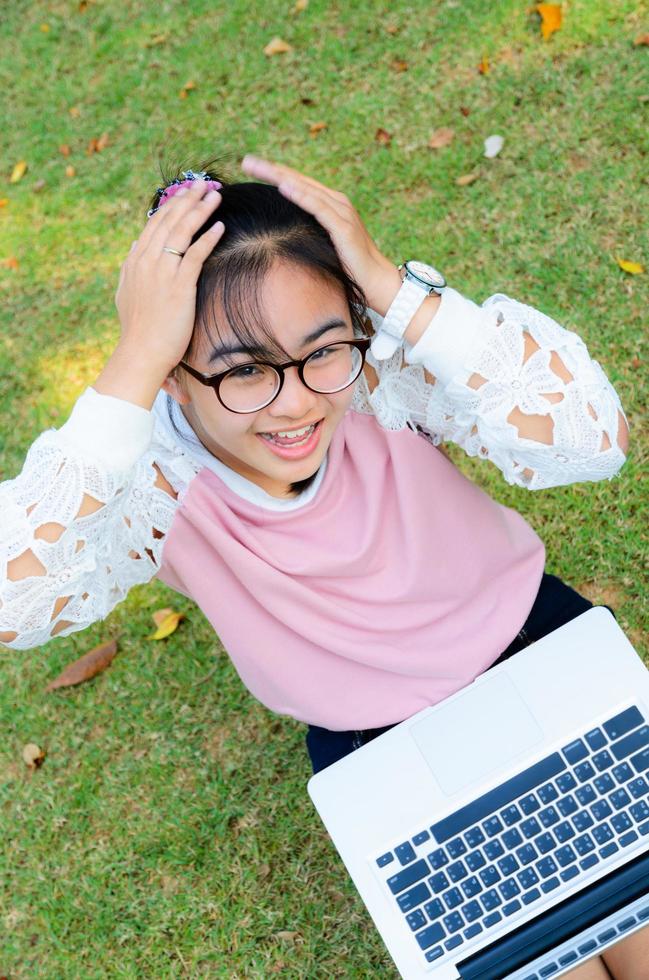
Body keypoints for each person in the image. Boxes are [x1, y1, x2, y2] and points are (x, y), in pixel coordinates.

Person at [1, 156, 643, 979]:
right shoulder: (151, 477)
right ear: (173, 374)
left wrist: (391, 289)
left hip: (538, 652)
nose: (296, 401)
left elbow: (590, 441)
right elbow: (12, 601)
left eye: (320, 350)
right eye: (240, 373)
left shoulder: (378, 376)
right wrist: (130, 365)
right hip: (378, 750)